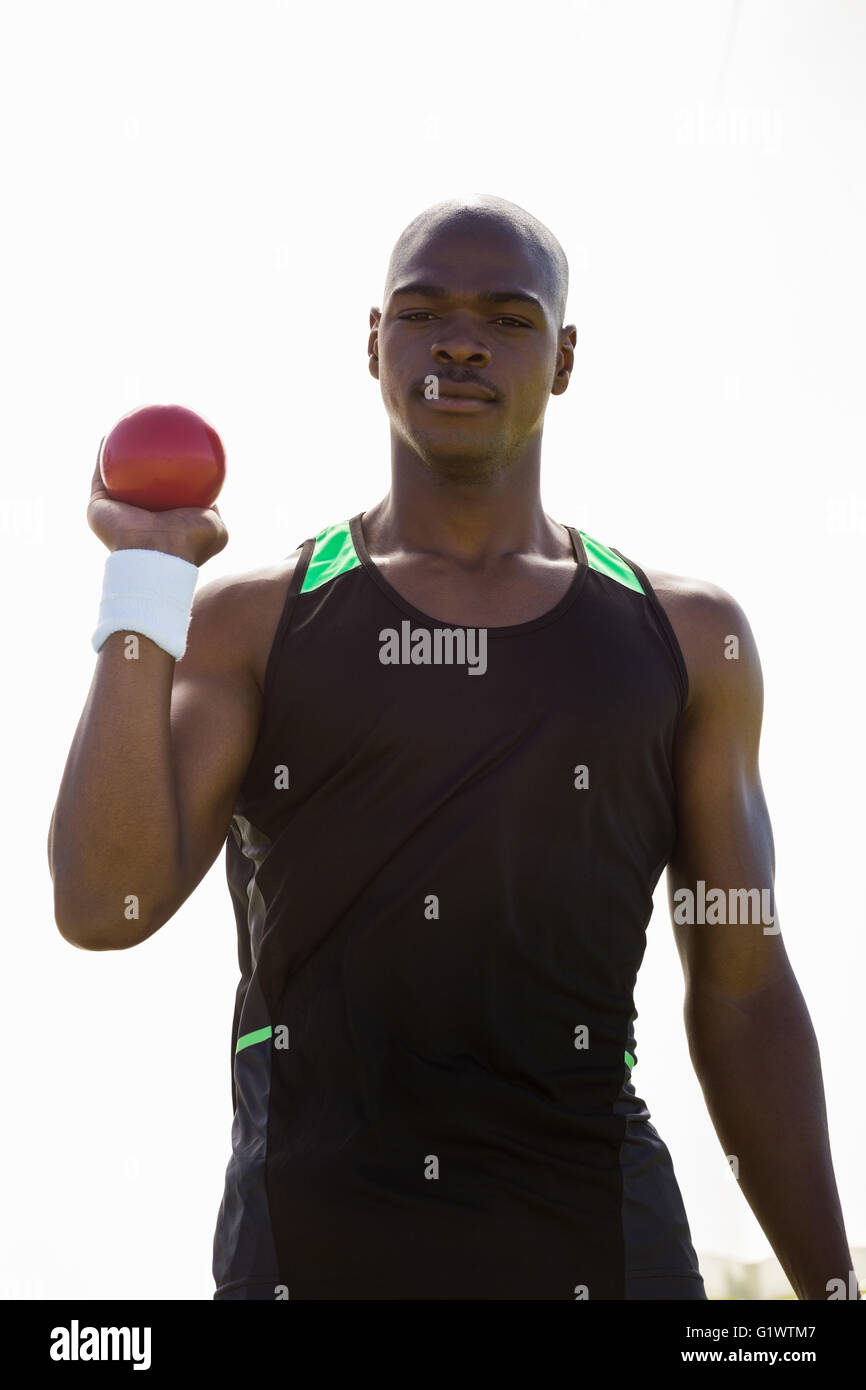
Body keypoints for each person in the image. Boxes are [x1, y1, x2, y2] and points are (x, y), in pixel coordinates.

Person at [49, 195, 859, 1301]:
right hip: (308, 1251)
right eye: (423, 312)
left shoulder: (683, 637)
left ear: (564, 357)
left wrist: (828, 1292)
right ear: (373, 343)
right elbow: (105, 905)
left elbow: (741, 987)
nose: (461, 340)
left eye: (507, 317)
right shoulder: (252, 619)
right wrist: (145, 579)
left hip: (604, 1251)